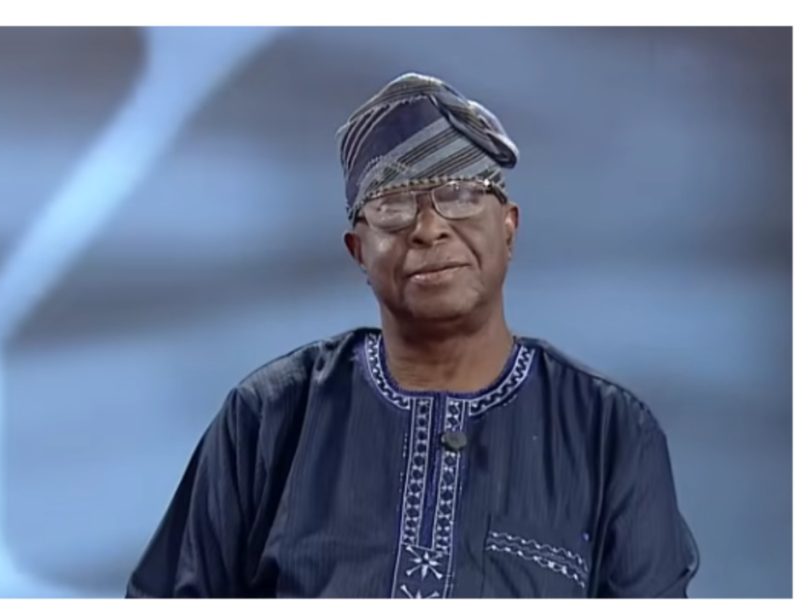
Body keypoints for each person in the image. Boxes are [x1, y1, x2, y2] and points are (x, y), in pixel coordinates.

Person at [125, 72, 699, 598]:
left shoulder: (611, 434)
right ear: (358, 251)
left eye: (460, 194)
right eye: (393, 207)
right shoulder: (270, 419)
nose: (429, 229)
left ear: (509, 228)